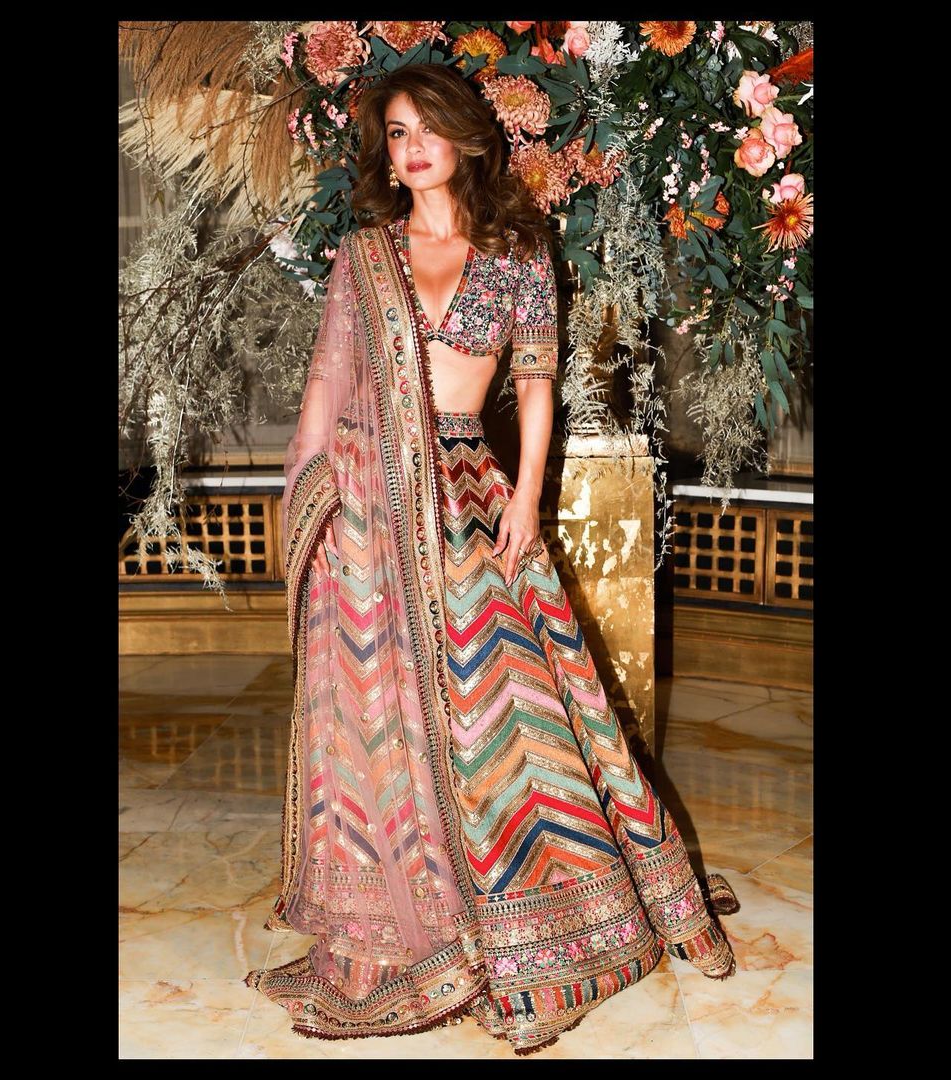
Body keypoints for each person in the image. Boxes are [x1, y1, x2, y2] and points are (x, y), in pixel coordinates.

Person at [246, 63, 738, 1056]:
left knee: (504, 702)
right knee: (378, 705)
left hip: (471, 488)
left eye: (426, 128)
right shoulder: (365, 255)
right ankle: (403, 906)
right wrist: (316, 503)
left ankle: (543, 910)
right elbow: (326, 388)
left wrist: (526, 497)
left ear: (469, 137)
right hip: (368, 502)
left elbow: (539, 387)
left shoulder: (516, 253)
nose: (411, 148)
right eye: (395, 133)